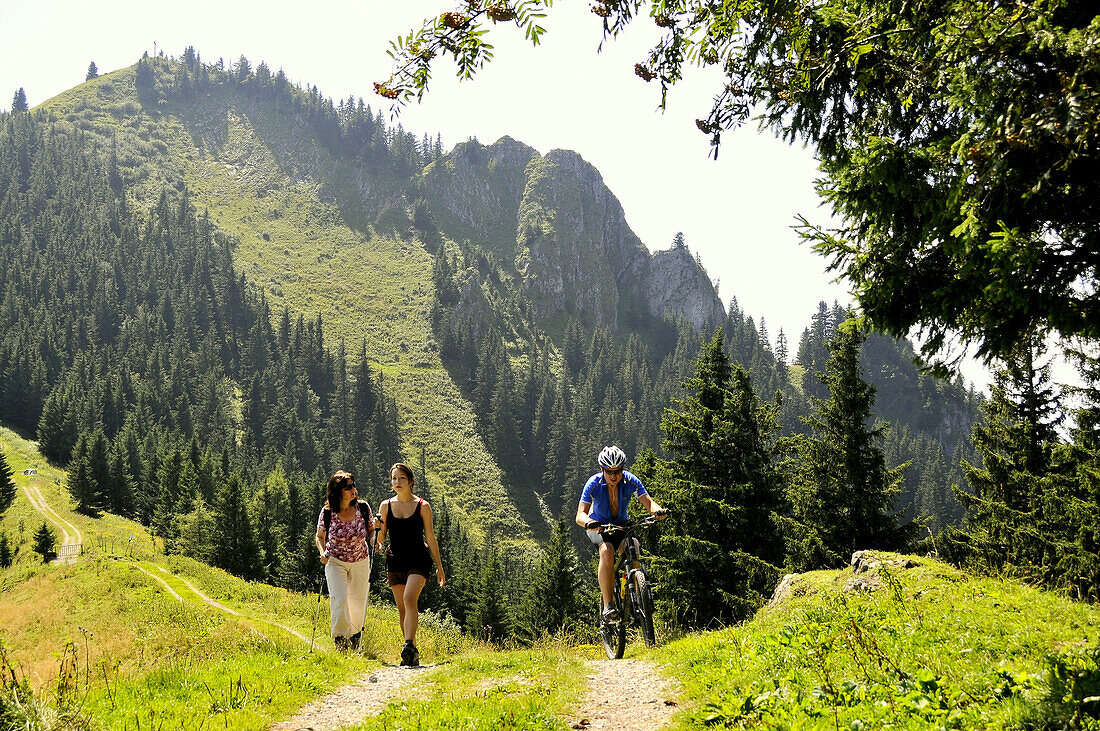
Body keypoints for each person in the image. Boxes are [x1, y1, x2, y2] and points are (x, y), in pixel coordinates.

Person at [574, 445, 666, 623]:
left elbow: (649, 502)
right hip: (599, 525)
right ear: (602, 469)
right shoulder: (593, 483)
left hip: (621, 525)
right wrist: (589, 523)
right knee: (606, 551)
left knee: (634, 546)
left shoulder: (630, 480)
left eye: (617, 471)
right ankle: (608, 605)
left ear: (622, 469)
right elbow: (580, 515)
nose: (613, 475)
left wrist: (658, 511)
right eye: (609, 471)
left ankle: (637, 593)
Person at [376, 462, 445, 667]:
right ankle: (412, 651)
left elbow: (431, 538)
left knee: (409, 598)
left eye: (401, 478)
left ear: (410, 481)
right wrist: (376, 528)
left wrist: (439, 567)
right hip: (395, 559)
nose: (397, 482)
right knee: (402, 609)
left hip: (418, 559)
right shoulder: (385, 506)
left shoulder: (422, 506)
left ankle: (407, 644)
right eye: (394, 478)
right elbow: (381, 538)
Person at [315, 470, 377, 651]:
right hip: (335, 561)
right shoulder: (328, 512)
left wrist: (373, 540)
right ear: (338, 491)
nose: (353, 490)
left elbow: (372, 529)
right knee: (340, 599)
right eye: (348, 487)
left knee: (357, 601)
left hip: (360, 559)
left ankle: (355, 637)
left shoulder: (363, 508)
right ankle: (340, 641)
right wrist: (322, 552)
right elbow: (320, 536)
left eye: (353, 485)